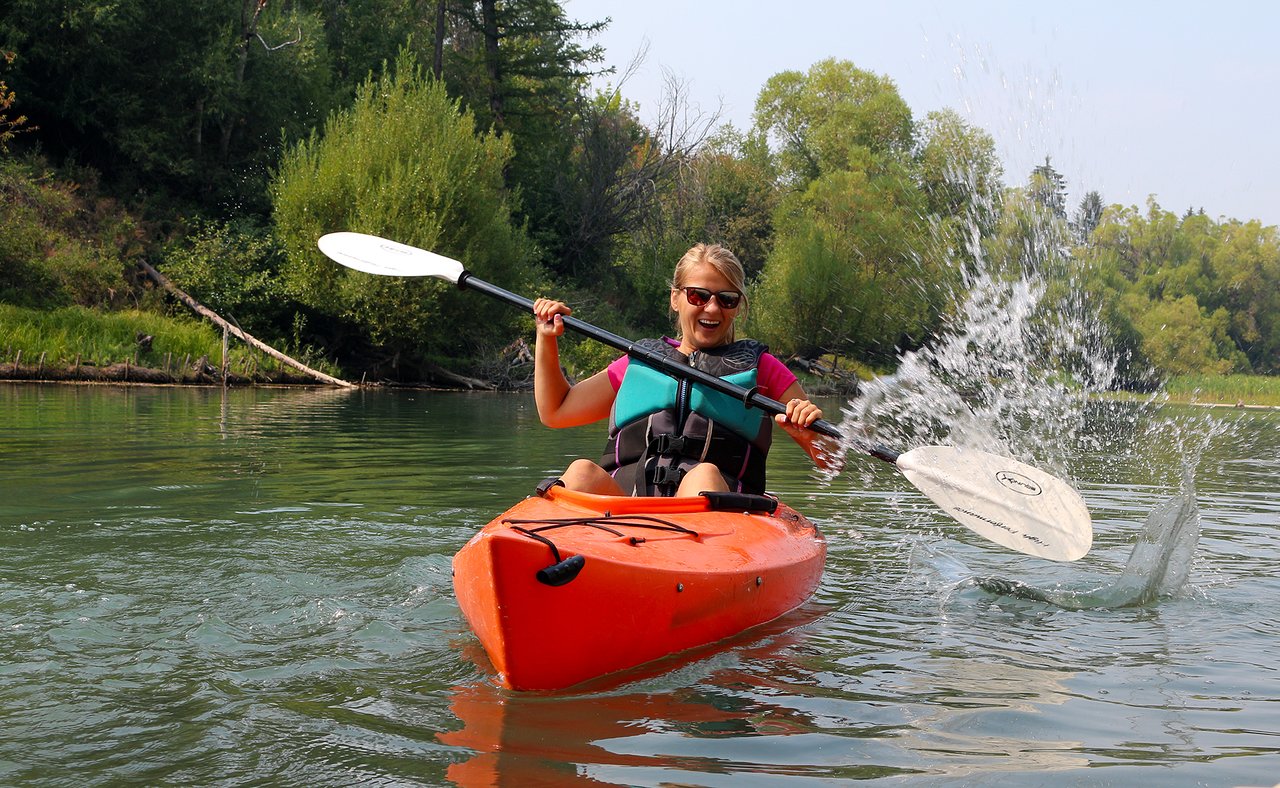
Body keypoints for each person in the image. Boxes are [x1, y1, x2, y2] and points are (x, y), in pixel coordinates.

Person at [532, 243, 837, 497]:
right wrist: (546, 339)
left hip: (712, 519)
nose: (713, 309)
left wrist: (809, 435)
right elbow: (556, 411)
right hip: (624, 515)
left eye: (726, 300)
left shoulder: (763, 369)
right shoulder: (638, 363)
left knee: (702, 477)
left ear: (738, 308)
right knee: (581, 472)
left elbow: (833, 460)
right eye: (698, 296)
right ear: (675, 298)